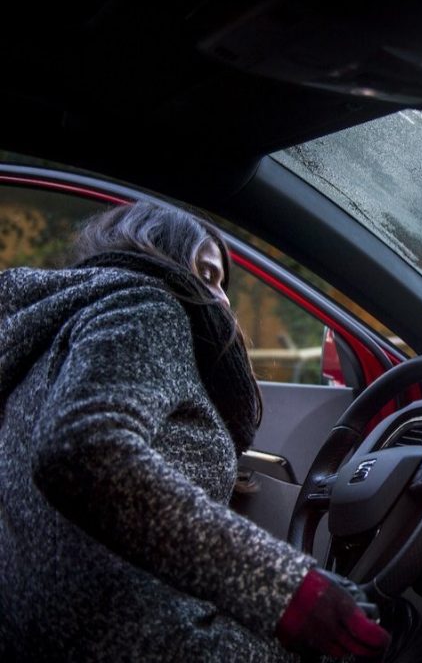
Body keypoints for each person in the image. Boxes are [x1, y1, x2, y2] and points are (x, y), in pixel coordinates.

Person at [0, 202, 391, 661]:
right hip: (134, 635)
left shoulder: (56, 327)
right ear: (158, 252)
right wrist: (289, 590)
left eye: (223, 284)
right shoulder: (145, 305)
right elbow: (82, 448)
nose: (224, 300)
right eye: (207, 275)